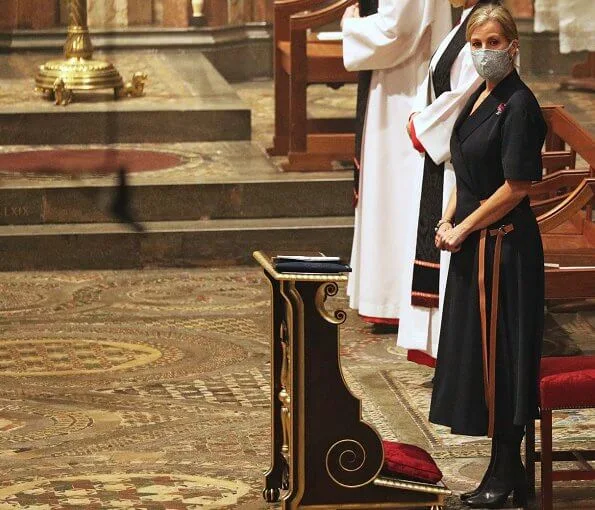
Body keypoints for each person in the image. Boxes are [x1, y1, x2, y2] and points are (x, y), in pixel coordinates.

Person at [428, 4, 547, 508]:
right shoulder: (479, 94)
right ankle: (505, 473)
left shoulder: (520, 105)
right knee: (478, 356)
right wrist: (447, 220)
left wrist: (465, 228)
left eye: (493, 43)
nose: (483, 53)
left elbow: (516, 185)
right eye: (476, 44)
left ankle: (504, 476)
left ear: (513, 47)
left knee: (503, 359)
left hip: (504, 250)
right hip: (474, 242)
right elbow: (465, 169)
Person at [341, 0, 452, 328]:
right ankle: (388, 294)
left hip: (403, 86)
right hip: (397, 79)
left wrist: (352, 25)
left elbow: (397, 30)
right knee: (391, 189)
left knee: (394, 187)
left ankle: (392, 297)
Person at [396, 0, 488, 365]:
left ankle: (456, 354)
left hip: (460, 161)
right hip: (445, 154)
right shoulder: (466, 18)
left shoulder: (487, 24)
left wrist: (423, 127)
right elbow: (438, 80)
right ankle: (442, 350)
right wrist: (421, 113)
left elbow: (470, 92)